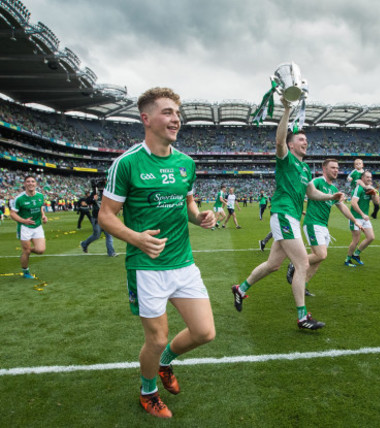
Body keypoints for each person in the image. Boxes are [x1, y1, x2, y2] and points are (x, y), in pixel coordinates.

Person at [98, 88, 217, 419]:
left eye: (177, 113)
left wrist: (200, 216)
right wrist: (135, 237)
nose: (175, 118)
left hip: (183, 263)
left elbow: (189, 203)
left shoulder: (186, 163)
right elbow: (106, 216)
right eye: (167, 112)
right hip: (146, 267)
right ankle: (147, 391)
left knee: (205, 332)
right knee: (156, 338)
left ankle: (166, 363)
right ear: (146, 119)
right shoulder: (127, 163)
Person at [231, 97, 343, 330]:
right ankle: (302, 318)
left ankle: (240, 289)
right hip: (283, 215)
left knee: (273, 265)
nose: (305, 143)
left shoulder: (304, 169)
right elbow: (279, 139)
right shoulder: (286, 158)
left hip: (289, 218)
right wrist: (286, 109)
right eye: (301, 140)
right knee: (302, 264)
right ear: (292, 145)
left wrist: (330, 197)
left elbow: (311, 193)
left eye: (306, 140)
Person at [286, 159, 363, 294]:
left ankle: (302, 286)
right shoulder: (317, 181)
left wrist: (355, 220)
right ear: (324, 169)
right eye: (332, 167)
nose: (336, 170)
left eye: (337, 168)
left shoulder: (333, 189)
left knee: (317, 261)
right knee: (321, 255)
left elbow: (342, 207)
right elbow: (310, 191)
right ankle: (294, 263)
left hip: (323, 226)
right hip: (313, 223)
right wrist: (330, 196)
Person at [10, 175, 47, 279]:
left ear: (36, 184)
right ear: (25, 184)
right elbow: (12, 213)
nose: (30, 183)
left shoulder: (40, 196)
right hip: (24, 228)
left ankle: (25, 252)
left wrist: (43, 215)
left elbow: (40, 207)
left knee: (40, 250)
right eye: (28, 181)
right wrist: (23, 221)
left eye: (32, 181)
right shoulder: (19, 199)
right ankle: (25, 272)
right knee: (26, 251)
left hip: (37, 226)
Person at [345, 171, 380, 267]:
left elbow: (377, 202)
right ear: (362, 178)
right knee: (356, 240)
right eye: (367, 177)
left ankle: (356, 254)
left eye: (371, 177)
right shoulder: (358, 188)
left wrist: (374, 191)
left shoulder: (368, 189)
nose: (369, 179)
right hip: (355, 218)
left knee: (371, 237)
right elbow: (353, 203)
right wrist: (362, 214)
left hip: (364, 219)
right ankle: (347, 260)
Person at [80, 180, 116, 257]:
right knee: (96, 235)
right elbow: (87, 201)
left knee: (109, 235)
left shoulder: (109, 193)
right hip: (97, 217)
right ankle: (84, 244)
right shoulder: (96, 193)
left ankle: (111, 252)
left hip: (106, 217)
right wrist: (93, 199)